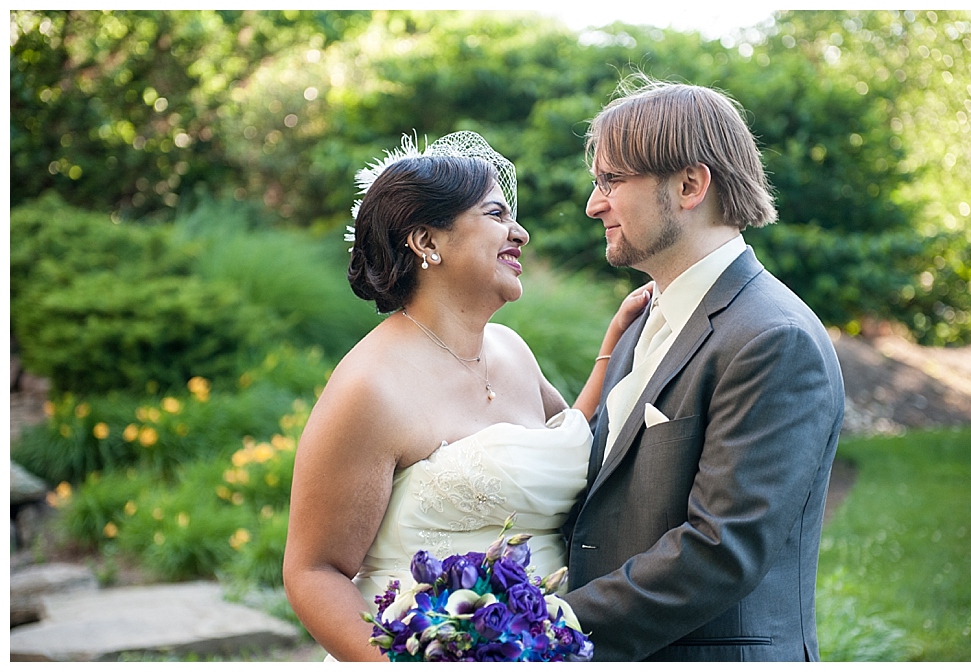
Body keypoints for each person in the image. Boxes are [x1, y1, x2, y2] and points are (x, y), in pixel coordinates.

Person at [282, 131, 650, 661]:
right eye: (496, 214)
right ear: (427, 241)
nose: (519, 232)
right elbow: (313, 572)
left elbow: (570, 442)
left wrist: (613, 346)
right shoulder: (370, 388)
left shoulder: (512, 351)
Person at [561, 75, 846, 662]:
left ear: (690, 184)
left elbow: (720, 550)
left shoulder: (773, 338)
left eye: (611, 180)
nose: (594, 205)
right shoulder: (643, 320)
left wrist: (547, 623)